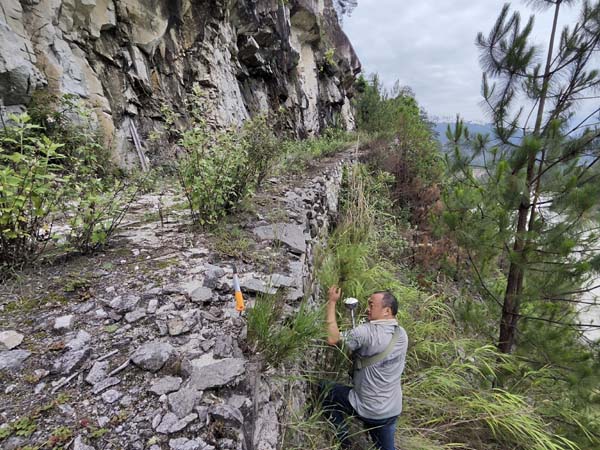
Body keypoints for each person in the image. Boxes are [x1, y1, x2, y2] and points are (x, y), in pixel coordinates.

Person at [321, 285, 408, 450]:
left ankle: (344, 443)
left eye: (371, 305)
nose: (367, 309)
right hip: (391, 409)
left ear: (386, 311)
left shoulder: (365, 332)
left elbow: (332, 338)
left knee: (325, 390)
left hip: (368, 408)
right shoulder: (402, 334)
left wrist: (332, 302)